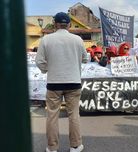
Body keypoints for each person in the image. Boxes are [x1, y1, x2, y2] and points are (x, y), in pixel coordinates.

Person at [35, 12, 87, 152]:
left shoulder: (46, 40)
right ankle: (75, 146)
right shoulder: (78, 40)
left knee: (52, 115)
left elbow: (39, 61)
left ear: (55, 24)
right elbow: (85, 59)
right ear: (69, 24)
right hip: (74, 82)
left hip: (54, 83)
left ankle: (52, 147)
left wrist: (47, 69)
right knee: (74, 115)